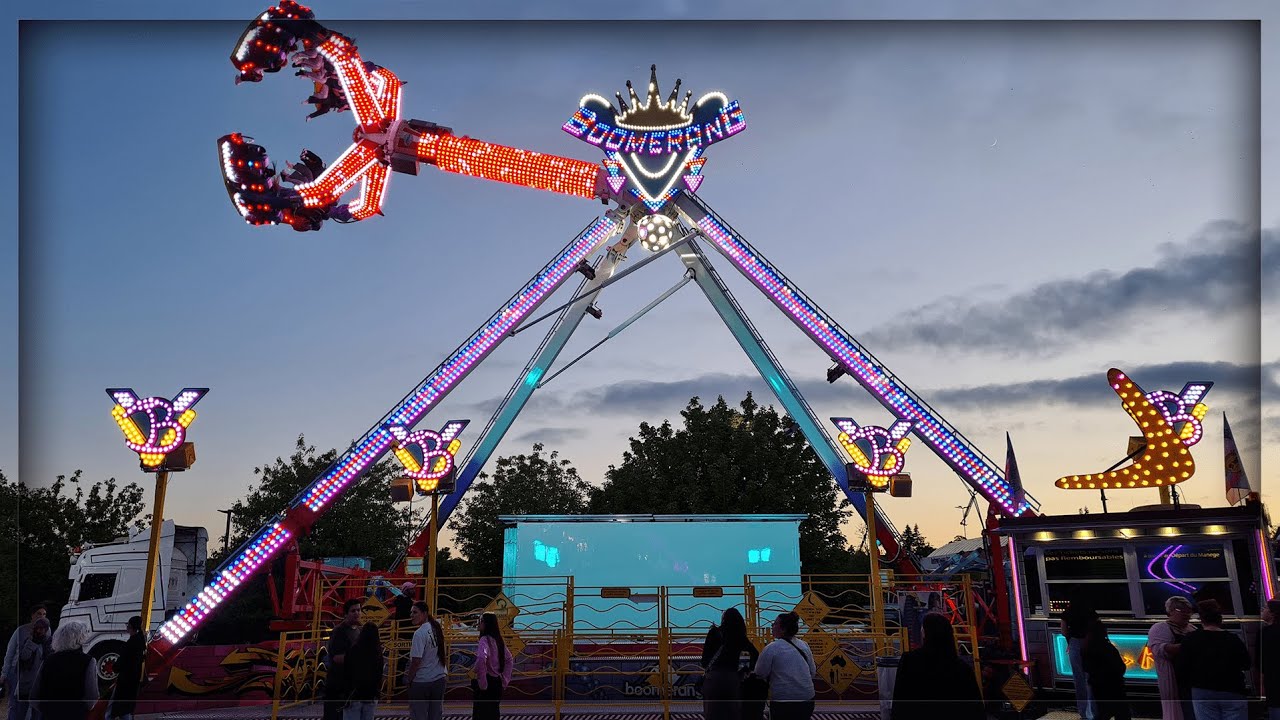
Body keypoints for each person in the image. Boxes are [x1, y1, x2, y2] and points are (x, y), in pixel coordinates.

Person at [890, 612, 984, 720]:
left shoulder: (910, 661)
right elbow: (975, 709)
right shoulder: (962, 669)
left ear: (925, 633)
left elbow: (900, 701)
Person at [1177, 600, 1250, 720]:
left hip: (1202, 690)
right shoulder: (1233, 639)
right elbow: (1246, 664)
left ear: (1202, 619)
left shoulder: (1191, 639)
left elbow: (1182, 667)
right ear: (1219, 618)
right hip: (1232, 689)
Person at [752, 612, 817, 720]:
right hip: (807, 698)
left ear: (783, 629)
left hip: (783, 701)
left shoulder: (771, 648)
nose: (772, 626)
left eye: (775, 624)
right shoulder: (804, 645)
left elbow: (760, 672)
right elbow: (812, 672)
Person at [700, 607, 759, 720]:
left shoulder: (714, 633)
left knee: (712, 714)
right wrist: (743, 670)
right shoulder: (742, 638)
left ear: (724, 619)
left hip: (714, 680)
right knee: (733, 714)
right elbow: (754, 655)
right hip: (734, 682)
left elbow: (704, 660)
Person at [30, 622, 98, 720]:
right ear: (80, 638)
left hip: (49, 714)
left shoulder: (48, 660)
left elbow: (34, 696)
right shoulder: (88, 661)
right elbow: (91, 697)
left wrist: (47, 710)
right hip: (76, 714)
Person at [1149, 595, 1195, 720]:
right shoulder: (1160, 628)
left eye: (1189, 611)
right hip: (1175, 679)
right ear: (1171, 611)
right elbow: (1160, 649)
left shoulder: (1192, 628)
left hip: (1193, 680)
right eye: (1183, 611)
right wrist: (1191, 645)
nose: (1187, 615)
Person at [4, 603, 50, 720]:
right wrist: (4, 673)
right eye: (39, 614)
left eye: (44, 614)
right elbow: (10, 653)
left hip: (37, 673)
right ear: (32, 616)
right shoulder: (21, 630)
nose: (42, 616)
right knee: (16, 705)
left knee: (37, 706)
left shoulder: (48, 631)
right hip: (18, 672)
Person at [406, 602, 447, 720]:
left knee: (419, 715)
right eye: (411, 612)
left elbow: (416, 661)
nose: (411, 615)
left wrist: (409, 679)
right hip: (438, 678)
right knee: (435, 715)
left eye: (415, 612)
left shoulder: (419, 634)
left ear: (424, 614)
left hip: (422, 680)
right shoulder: (436, 628)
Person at [1062, 594, 1100, 720]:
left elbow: (1064, 631)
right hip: (1090, 643)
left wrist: (1070, 641)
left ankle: (1083, 712)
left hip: (1074, 643)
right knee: (1091, 678)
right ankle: (1094, 711)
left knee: (1079, 679)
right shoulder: (1090, 611)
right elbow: (1097, 627)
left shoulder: (1067, 612)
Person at [1082, 620, 1130, 720]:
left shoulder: (1086, 648)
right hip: (1115, 686)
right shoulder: (1108, 647)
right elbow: (1120, 667)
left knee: (1103, 713)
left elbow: (1086, 668)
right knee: (1122, 712)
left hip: (1098, 686)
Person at [324, 599, 362, 720]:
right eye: (353, 611)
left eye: (359, 610)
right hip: (338, 683)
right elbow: (337, 657)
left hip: (350, 684)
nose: (357, 613)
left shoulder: (358, 630)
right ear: (346, 614)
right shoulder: (339, 631)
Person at [473, 612, 513, 720]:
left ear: (486, 624)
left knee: (481, 714)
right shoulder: (499, 640)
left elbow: (482, 658)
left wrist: (482, 682)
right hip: (497, 682)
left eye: (481, 621)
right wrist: (505, 679)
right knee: (494, 713)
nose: (479, 624)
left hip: (487, 682)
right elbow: (509, 659)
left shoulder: (484, 640)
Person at [107, 616, 146, 720]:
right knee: (127, 708)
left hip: (125, 679)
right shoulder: (141, 641)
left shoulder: (131, 643)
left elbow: (122, 661)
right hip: (134, 679)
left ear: (131, 626)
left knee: (113, 706)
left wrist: (115, 667)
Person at [343, 622, 384, 720]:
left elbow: (347, 671)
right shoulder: (377, 653)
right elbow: (379, 674)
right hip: (371, 694)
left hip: (354, 694)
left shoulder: (354, 650)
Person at [1261, 598, 1280, 720]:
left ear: (1272, 614)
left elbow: (1261, 662)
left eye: (1266, 608)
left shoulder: (1265, 633)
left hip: (1273, 680)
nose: (1263, 610)